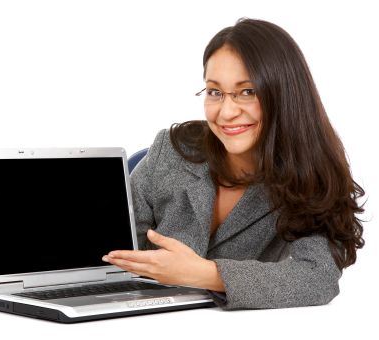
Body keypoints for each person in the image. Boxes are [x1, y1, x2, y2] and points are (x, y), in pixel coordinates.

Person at [102, 18, 365, 310]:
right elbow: (110, 248)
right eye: (215, 91)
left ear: (283, 95)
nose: (227, 112)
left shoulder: (311, 177)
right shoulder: (172, 150)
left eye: (247, 92)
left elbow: (318, 277)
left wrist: (207, 275)